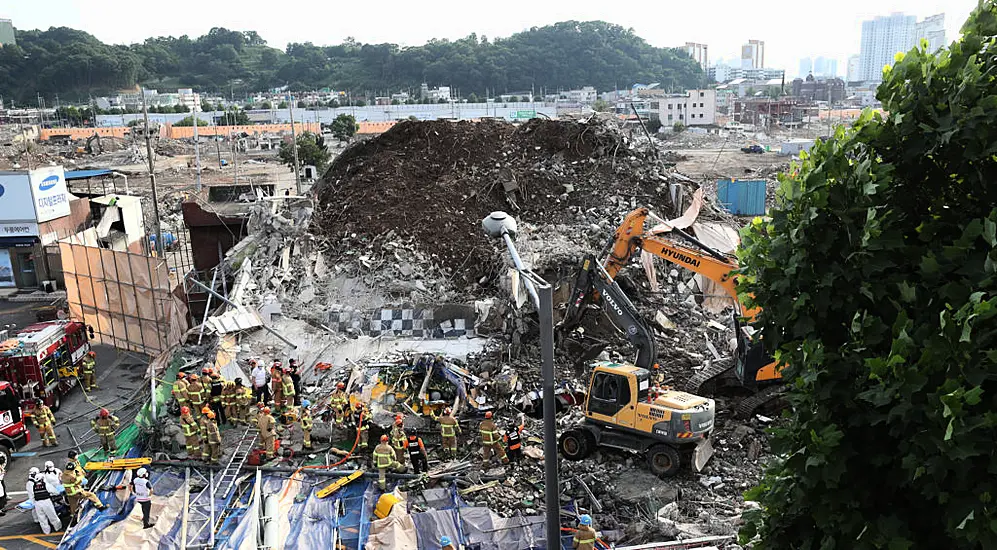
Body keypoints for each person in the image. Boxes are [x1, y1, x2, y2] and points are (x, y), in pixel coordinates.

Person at [26, 467, 61, 534]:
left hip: (37, 504)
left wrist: (34, 503)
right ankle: (57, 528)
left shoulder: (32, 485)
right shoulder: (46, 485)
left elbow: (32, 496)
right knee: (52, 516)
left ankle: (46, 531)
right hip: (46, 502)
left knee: (42, 519)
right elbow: (55, 492)